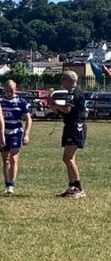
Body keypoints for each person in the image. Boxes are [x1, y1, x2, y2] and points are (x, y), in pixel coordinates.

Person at [49, 70, 87, 198]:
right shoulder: (70, 93)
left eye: (63, 79)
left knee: (68, 158)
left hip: (76, 126)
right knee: (70, 158)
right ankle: (71, 186)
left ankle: (78, 188)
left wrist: (56, 104)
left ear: (71, 80)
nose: (61, 81)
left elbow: (67, 108)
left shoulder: (73, 93)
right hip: (70, 125)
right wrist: (53, 106)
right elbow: (64, 112)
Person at [0, 80, 32, 196]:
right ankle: (7, 183)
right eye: (7, 90)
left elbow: (28, 119)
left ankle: (11, 184)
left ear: (15, 88)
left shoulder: (21, 101)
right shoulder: (0, 101)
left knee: (13, 159)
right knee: (5, 159)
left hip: (16, 133)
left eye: (11, 90)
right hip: (3, 133)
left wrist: (26, 134)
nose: (9, 92)